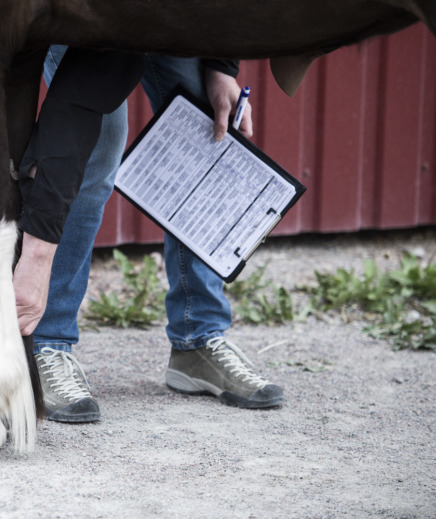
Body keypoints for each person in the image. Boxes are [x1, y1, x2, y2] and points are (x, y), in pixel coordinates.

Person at [14, 46, 283, 423]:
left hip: (167, 15)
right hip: (92, 23)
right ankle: (47, 344)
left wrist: (221, 67)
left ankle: (197, 341)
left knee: (206, 128)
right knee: (96, 148)